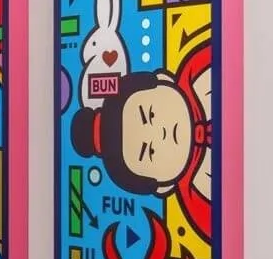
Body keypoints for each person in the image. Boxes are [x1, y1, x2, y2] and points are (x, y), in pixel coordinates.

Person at [69, 40, 214, 244]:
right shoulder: (200, 205)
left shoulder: (200, 68)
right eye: (150, 151)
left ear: (163, 79)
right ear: (161, 187)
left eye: (150, 115)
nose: (161, 133)